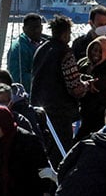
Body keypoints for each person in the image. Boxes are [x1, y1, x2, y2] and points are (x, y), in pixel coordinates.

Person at [30, 15, 89, 164]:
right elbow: (75, 88)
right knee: (61, 153)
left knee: (45, 151)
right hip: (59, 112)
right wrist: (87, 85)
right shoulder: (65, 53)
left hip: (39, 110)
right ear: (65, 34)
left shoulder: (41, 49)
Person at [6, 13, 47, 94]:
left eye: (38, 27)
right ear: (24, 29)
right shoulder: (18, 48)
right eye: (33, 28)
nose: (37, 31)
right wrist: (45, 79)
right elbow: (18, 77)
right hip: (27, 95)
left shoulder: (45, 42)